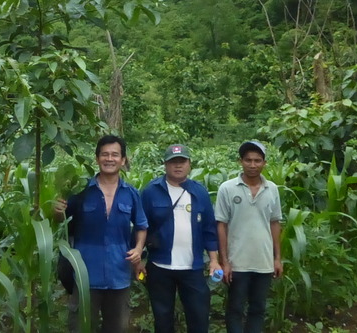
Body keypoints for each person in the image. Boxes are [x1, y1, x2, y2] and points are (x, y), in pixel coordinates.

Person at [54, 135, 147, 333]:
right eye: (104, 154)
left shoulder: (131, 193)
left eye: (115, 155)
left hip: (119, 274)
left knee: (118, 328)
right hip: (85, 274)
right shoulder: (80, 191)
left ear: (123, 160)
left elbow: (141, 226)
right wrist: (57, 212)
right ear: (97, 159)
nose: (109, 159)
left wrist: (138, 249)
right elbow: (64, 223)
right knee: (81, 327)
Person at [140, 144, 220, 333]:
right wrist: (140, 259)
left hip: (192, 267)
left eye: (182, 161)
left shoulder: (199, 192)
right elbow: (141, 227)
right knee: (162, 319)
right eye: (173, 162)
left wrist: (214, 260)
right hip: (160, 266)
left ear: (189, 164)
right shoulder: (151, 191)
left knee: (199, 317)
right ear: (165, 165)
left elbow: (209, 229)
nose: (178, 166)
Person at [214, 141, 283, 333]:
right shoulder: (227, 188)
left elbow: (275, 223)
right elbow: (221, 225)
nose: (252, 165)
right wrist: (224, 261)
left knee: (258, 309)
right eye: (248, 160)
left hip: (263, 262)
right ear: (240, 161)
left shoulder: (272, 190)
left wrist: (277, 258)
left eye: (257, 161)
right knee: (235, 308)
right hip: (237, 262)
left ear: (264, 163)